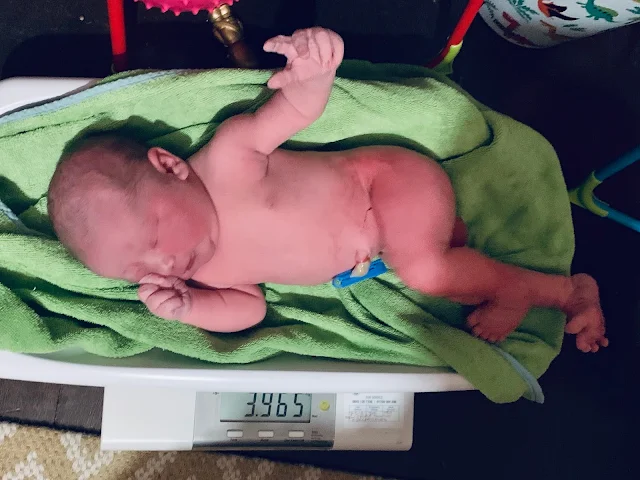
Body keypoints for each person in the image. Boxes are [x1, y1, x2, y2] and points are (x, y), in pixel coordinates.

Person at [47, 28, 608, 353]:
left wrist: (313, 73)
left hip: (387, 184)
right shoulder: (205, 273)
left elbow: (291, 109)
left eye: (154, 235)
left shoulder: (227, 160)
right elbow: (248, 311)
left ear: (170, 167)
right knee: (430, 272)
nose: (162, 262)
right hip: (382, 243)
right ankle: (480, 270)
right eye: (135, 271)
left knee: (426, 272)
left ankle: (558, 292)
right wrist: (191, 307)